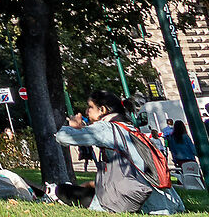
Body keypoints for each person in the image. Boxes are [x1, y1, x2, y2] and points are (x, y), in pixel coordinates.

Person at [54, 90, 183, 213]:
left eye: (90, 107)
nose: (86, 111)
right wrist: (91, 184)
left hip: (141, 202)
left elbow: (63, 137)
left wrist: (73, 127)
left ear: (102, 109)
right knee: (83, 190)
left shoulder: (106, 128)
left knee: (63, 190)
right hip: (169, 203)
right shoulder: (130, 129)